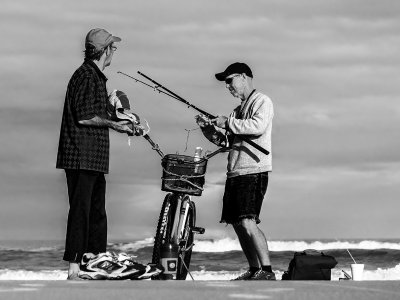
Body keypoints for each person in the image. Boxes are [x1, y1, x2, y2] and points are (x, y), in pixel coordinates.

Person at [56, 28, 134, 280]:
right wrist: (113, 124)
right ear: (105, 50)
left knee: (96, 211)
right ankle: (74, 267)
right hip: (81, 155)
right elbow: (85, 116)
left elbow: (96, 113)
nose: (114, 52)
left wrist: (122, 122)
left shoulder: (95, 77)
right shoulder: (87, 75)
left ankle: (95, 261)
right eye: (113, 47)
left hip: (93, 157)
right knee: (81, 209)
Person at [196, 62, 275, 280]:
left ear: (243, 76)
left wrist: (228, 123)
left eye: (229, 80)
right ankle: (253, 269)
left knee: (248, 221)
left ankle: (266, 271)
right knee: (238, 224)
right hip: (236, 171)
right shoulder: (237, 111)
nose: (228, 86)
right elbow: (226, 142)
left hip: (253, 171)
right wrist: (208, 129)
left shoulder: (262, 101)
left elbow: (257, 127)